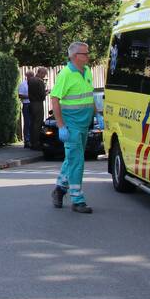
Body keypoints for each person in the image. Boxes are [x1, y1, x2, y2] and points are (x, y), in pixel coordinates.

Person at [50, 42, 95, 214]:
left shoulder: (87, 71)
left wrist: (97, 114)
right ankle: (77, 199)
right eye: (85, 53)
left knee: (72, 159)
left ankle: (60, 189)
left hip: (84, 123)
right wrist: (61, 126)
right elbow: (55, 98)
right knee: (77, 161)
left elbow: (88, 95)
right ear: (75, 56)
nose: (88, 56)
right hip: (72, 125)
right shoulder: (66, 74)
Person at [27, 67, 48, 150]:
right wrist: (46, 92)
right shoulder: (40, 81)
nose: (44, 76)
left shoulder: (30, 80)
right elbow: (42, 95)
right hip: (38, 104)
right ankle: (36, 143)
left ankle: (32, 142)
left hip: (31, 103)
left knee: (32, 123)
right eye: (44, 74)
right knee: (38, 124)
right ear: (40, 73)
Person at [18, 72, 32, 148]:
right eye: (31, 76)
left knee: (33, 122)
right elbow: (20, 95)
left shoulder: (33, 83)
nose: (32, 77)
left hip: (33, 104)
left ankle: (32, 139)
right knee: (27, 122)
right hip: (26, 104)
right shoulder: (23, 84)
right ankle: (27, 140)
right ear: (27, 76)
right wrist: (30, 96)